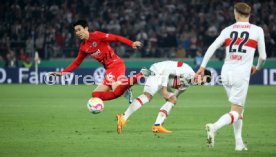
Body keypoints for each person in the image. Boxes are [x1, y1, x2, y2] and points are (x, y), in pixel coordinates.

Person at [196, 2, 267, 151]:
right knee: (236, 111)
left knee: (238, 110)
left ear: (237, 14)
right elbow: (263, 57)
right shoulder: (257, 30)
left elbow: (212, 47)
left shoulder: (228, 30)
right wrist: (257, 67)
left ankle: (239, 143)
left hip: (226, 72)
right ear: (249, 14)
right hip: (241, 74)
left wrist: (202, 67)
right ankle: (214, 127)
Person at [49, 20, 143, 103]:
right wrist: (62, 73)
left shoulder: (97, 36)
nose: (77, 32)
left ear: (86, 28)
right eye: (76, 31)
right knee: (95, 95)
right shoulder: (83, 47)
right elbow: (76, 62)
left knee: (117, 90)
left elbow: (115, 38)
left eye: (79, 29)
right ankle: (125, 89)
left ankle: (140, 75)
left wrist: (131, 43)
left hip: (116, 64)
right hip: (109, 70)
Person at [116, 61, 212, 134]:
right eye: (201, 78)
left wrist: (167, 110)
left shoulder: (186, 85)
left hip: (163, 79)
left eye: (202, 82)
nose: (199, 81)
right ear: (200, 73)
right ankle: (123, 117)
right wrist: (165, 90)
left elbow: (173, 98)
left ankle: (158, 125)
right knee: (147, 96)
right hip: (158, 70)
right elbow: (166, 71)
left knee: (173, 99)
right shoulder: (186, 70)